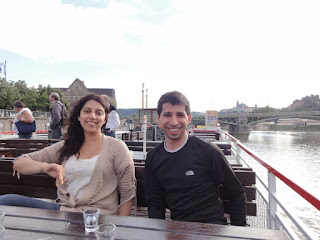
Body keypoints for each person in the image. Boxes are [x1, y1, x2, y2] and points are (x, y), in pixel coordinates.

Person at [0, 94, 136, 216]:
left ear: (105, 119)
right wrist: (45, 167)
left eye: (98, 113)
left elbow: (127, 195)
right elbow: (19, 163)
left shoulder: (116, 147)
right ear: (78, 116)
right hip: (64, 212)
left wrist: (119, 231)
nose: (92, 116)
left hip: (98, 219)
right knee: (7, 201)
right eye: (87, 111)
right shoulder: (67, 146)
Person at [145, 91, 247, 226]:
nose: (174, 122)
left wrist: (238, 232)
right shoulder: (153, 158)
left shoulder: (208, 152)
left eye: (180, 115)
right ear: (159, 118)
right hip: (178, 230)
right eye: (167, 115)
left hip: (212, 229)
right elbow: (155, 203)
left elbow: (237, 194)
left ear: (189, 118)